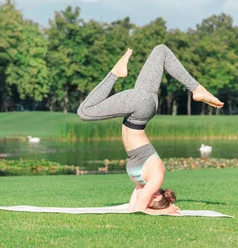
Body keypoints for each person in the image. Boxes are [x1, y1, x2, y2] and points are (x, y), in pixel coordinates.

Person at [77, 45, 224, 215]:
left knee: (161, 51)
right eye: (155, 196)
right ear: (158, 195)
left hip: (140, 108)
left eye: (150, 199)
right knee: (85, 111)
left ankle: (197, 89)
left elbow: (134, 209)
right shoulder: (156, 177)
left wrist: (158, 209)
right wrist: (166, 211)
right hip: (140, 104)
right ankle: (196, 89)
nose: (150, 195)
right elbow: (141, 209)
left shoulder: (143, 182)